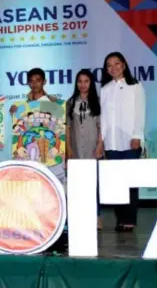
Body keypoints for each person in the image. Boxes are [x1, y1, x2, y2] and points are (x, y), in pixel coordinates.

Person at [100, 52, 145, 232]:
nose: (113, 68)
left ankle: (130, 219)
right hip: (111, 143)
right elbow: (103, 118)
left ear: (124, 64)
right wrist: (102, 141)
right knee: (116, 183)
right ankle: (120, 219)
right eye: (109, 65)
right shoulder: (105, 89)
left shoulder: (135, 86)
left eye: (116, 64)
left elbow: (140, 112)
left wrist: (137, 135)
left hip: (129, 142)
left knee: (131, 181)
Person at [65, 69, 103, 229]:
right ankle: (76, 217)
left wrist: (100, 145)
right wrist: (68, 150)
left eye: (86, 81)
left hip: (92, 148)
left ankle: (96, 217)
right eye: (79, 81)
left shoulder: (99, 101)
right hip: (75, 150)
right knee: (76, 185)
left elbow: (102, 127)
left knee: (94, 185)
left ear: (91, 83)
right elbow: (67, 128)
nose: (82, 84)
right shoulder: (70, 102)